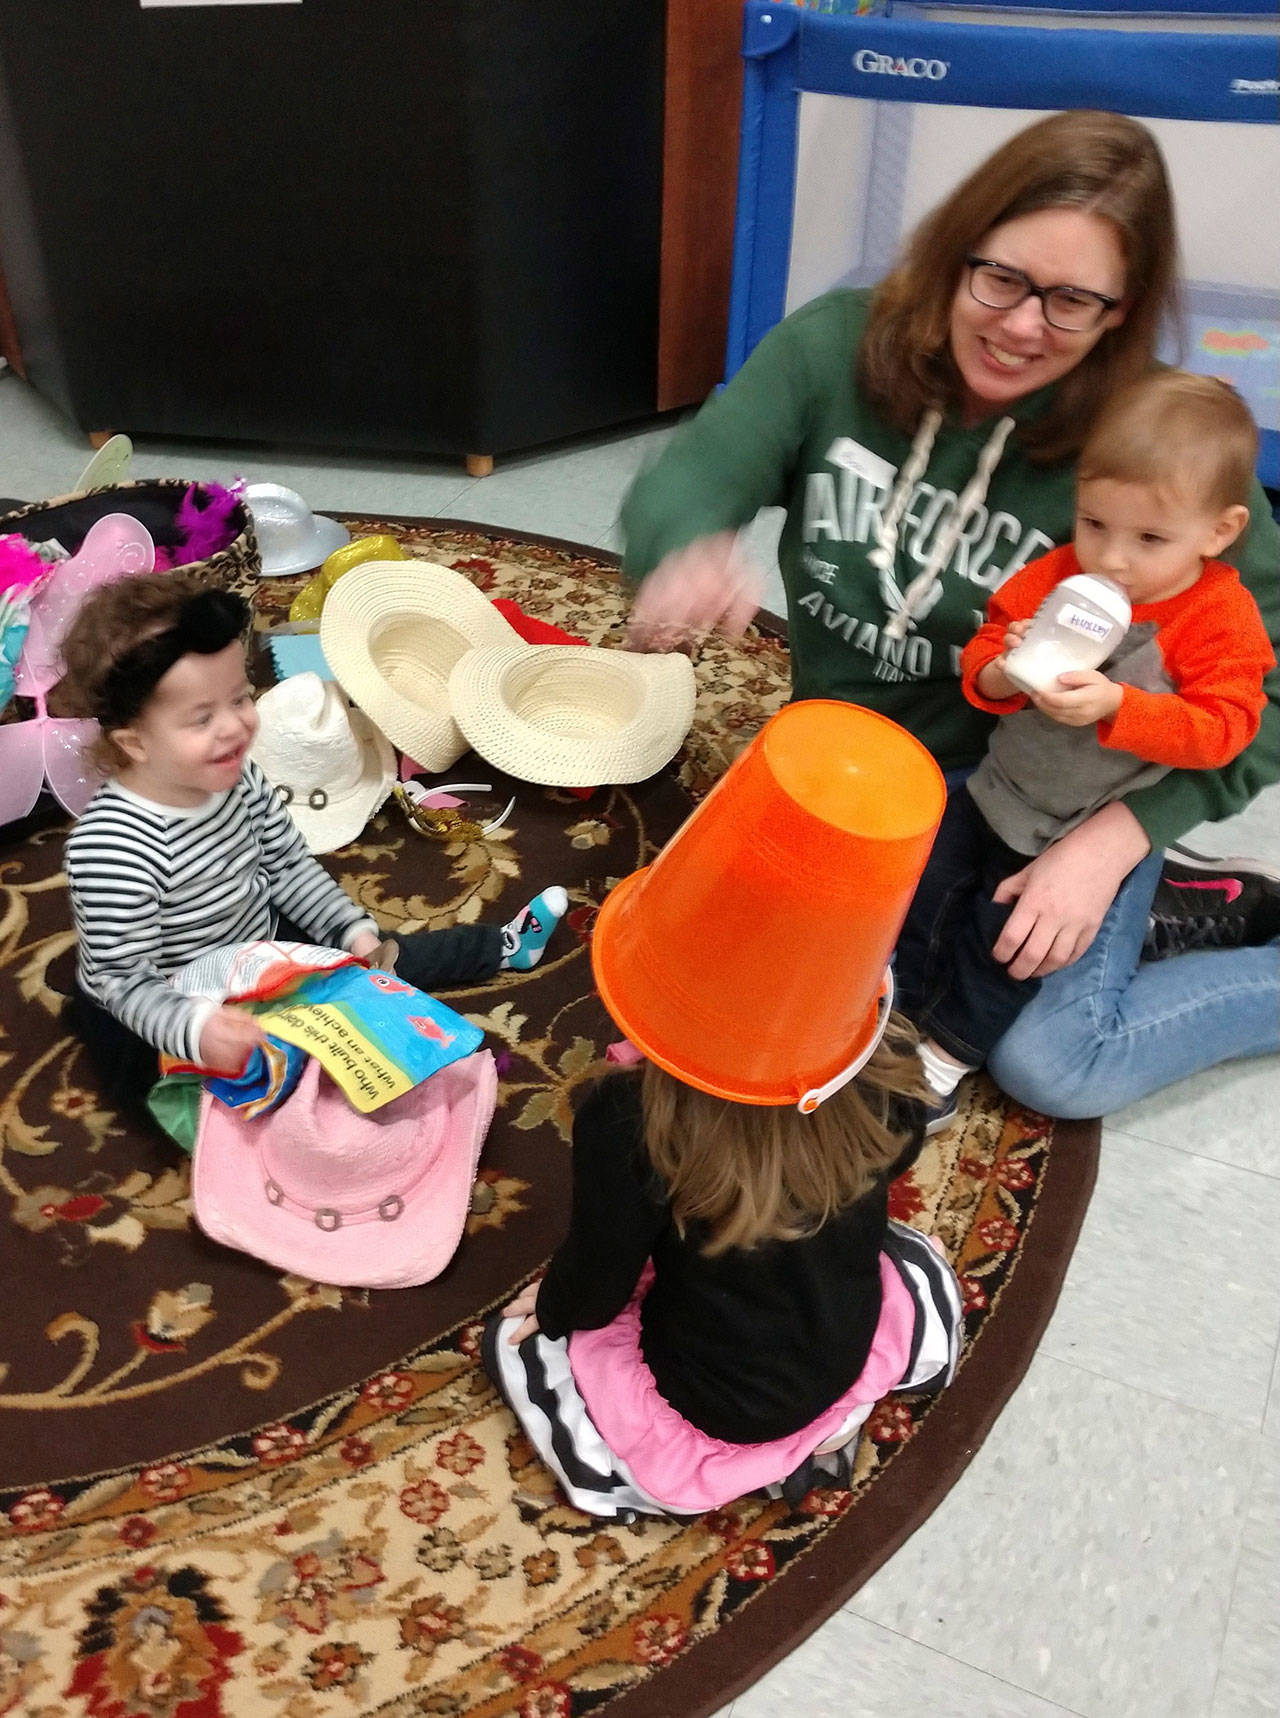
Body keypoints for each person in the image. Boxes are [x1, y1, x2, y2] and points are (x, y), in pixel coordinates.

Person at [620, 108, 1280, 1119]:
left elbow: (1263, 688)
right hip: (859, 769)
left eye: (1069, 302)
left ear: (1118, 313)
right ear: (950, 250)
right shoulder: (832, 346)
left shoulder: (1153, 443)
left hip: (1048, 792)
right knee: (746, 967)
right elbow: (690, 481)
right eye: (1002, 278)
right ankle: (1168, 900)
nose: (1020, 326)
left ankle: (1164, 890)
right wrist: (682, 552)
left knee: (1049, 1065)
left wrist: (1116, 835)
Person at [483, 701, 963, 1518]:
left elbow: (595, 1289)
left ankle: (754, 1464)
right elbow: (901, 1151)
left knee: (521, 1345)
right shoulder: (884, 1071)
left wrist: (553, 1307)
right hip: (840, 1347)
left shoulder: (627, 1117)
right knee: (893, 1253)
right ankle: (832, 1426)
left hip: (717, 1409)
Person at [894, 372, 1275, 1128]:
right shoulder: (1065, 572)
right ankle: (900, 1012)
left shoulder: (1217, 619)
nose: (1112, 560)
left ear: (1221, 531)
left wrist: (1119, 708)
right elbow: (993, 639)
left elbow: (1226, 729)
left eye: (1150, 539)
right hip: (996, 790)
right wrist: (1002, 672)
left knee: (1009, 943)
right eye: (1094, 523)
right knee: (921, 894)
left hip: (1079, 825)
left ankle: (945, 1055)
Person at [54, 573, 567, 1126]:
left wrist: (350, 932)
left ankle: (500, 946)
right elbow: (126, 980)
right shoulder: (111, 849)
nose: (235, 727)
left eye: (240, 699)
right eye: (202, 718)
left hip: (259, 950)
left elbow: (287, 866)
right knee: (210, 1103)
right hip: (170, 1002)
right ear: (135, 742)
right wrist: (199, 1030)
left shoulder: (238, 777)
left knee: (382, 960)